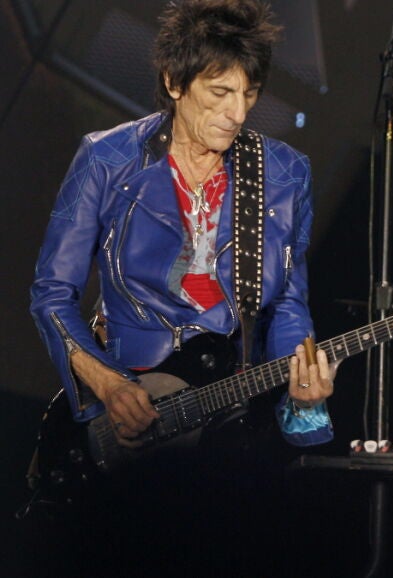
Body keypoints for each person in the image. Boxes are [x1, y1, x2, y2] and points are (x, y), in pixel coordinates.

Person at [27, 0, 334, 573]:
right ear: (174, 82)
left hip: (228, 428)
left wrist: (304, 393)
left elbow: (288, 302)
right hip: (125, 421)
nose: (237, 112)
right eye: (220, 92)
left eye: (249, 94)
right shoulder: (107, 158)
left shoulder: (284, 172)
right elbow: (52, 295)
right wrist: (110, 387)